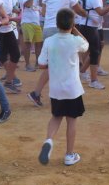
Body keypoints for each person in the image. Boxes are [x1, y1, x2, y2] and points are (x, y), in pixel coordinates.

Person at [27, 0, 87, 107]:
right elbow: (80, 11)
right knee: (70, 60)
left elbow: (43, 12)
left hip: (48, 30)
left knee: (52, 64)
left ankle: (36, 93)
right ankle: (68, 92)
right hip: (62, 29)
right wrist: (87, 13)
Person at [37, 8, 89, 166]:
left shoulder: (49, 41)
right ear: (72, 23)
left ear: (57, 23)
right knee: (71, 121)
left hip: (56, 88)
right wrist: (75, 30)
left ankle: (48, 140)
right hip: (72, 88)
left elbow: (41, 64)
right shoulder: (75, 41)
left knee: (56, 117)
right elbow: (86, 45)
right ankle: (69, 154)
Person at [76, 0, 109, 90]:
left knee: (95, 51)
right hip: (89, 27)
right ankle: (93, 80)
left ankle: (83, 72)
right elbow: (101, 12)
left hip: (88, 26)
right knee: (95, 52)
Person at [17, 0, 43, 72]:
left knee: (39, 43)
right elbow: (28, 5)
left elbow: (40, 6)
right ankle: (27, 64)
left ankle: (38, 62)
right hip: (27, 22)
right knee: (27, 44)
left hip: (36, 22)